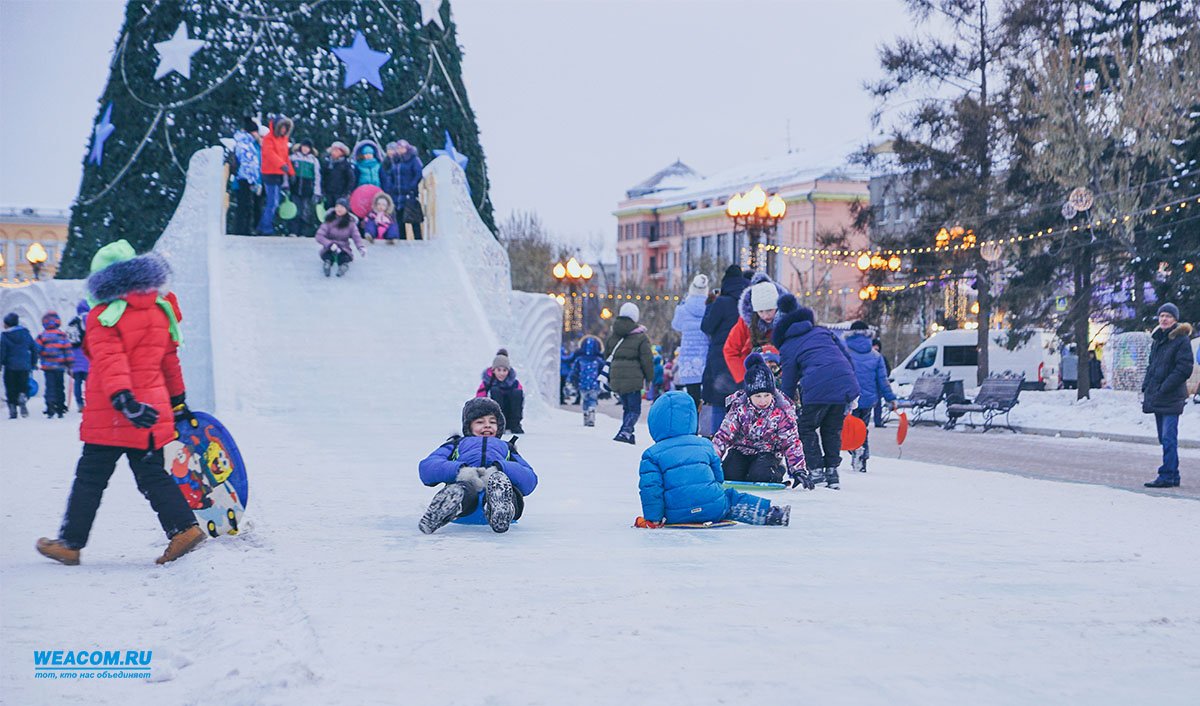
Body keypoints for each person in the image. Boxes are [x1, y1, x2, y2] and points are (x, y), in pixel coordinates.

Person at [36, 240, 205, 566]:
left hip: (114, 415)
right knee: (153, 476)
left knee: (90, 479)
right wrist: (178, 400)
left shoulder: (103, 315)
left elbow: (110, 361)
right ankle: (184, 529)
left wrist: (124, 401)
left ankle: (70, 544)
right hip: (152, 413)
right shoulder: (160, 309)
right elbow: (170, 360)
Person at [637, 391, 790, 527]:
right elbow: (718, 476)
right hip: (713, 507)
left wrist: (654, 519)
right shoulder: (704, 444)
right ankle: (771, 514)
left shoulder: (652, 455)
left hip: (675, 513)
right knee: (732, 498)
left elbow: (651, 489)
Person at [774, 294, 860, 490]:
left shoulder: (788, 345)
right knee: (831, 429)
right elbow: (846, 358)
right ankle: (832, 472)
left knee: (805, 428)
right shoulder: (822, 331)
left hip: (818, 388)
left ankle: (816, 470)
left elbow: (788, 382)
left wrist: (784, 405)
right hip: (843, 383)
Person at [417, 398, 537, 534]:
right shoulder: (456, 444)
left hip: (497, 491)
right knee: (462, 489)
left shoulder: (507, 448)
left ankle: (501, 509)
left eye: (492, 422)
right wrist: (460, 470)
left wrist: (501, 468)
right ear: (469, 426)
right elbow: (427, 467)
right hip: (466, 501)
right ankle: (446, 506)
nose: (487, 426)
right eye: (480, 422)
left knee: (503, 486)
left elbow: (529, 479)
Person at [711, 353, 808, 487]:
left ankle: (776, 471)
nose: (763, 400)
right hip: (741, 450)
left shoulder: (782, 410)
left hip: (767, 453)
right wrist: (711, 462)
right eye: (758, 396)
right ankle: (744, 472)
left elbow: (791, 442)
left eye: (766, 395)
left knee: (760, 475)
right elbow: (723, 435)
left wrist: (798, 470)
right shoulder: (739, 407)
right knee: (729, 473)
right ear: (749, 395)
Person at [1141, 303, 1192, 488]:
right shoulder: (1158, 341)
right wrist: (1146, 386)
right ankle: (1174, 474)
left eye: (1168, 316)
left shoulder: (1181, 340)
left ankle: (1167, 475)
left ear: (1175, 320)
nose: (1164, 319)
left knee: (1169, 437)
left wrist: (1164, 387)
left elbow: (1184, 368)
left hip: (1172, 396)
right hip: (1158, 396)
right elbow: (1152, 367)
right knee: (1164, 438)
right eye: (1162, 316)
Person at [700, 265, 750, 433]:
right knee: (740, 404)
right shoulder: (747, 304)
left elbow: (707, 326)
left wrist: (710, 306)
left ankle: (717, 443)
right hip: (741, 359)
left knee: (719, 401)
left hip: (720, 359)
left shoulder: (721, 302)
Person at [845, 321, 896, 473]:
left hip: (848, 399)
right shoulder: (876, 356)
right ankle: (862, 454)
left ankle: (854, 450)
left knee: (845, 429)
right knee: (862, 429)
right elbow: (883, 380)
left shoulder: (844, 353)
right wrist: (890, 398)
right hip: (868, 400)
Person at [723, 273, 788, 390]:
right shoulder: (745, 323)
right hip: (754, 379)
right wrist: (745, 377)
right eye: (760, 311)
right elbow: (730, 350)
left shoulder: (787, 321)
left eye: (769, 310)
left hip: (783, 378)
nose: (765, 315)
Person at [606, 302, 654, 444]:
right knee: (635, 409)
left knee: (627, 407)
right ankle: (625, 431)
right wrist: (649, 377)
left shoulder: (613, 335)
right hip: (633, 379)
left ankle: (629, 434)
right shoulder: (640, 336)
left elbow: (607, 355)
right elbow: (647, 359)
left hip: (616, 376)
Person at [671, 274, 710, 411]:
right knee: (707, 395)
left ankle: (694, 424)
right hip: (705, 355)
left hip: (688, 357)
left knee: (692, 395)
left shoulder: (683, 307)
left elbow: (676, 325)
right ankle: (705, 424)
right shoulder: (710, 306)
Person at [256, 117, 294, 236]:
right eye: (282, 127)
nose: (283, 130)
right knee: (273, 202)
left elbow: (285, 157)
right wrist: (282, 165)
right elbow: (270, 154)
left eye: (285, 128)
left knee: (274, 202)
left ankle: (262, 226)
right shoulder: (269, 139)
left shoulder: (283, 140)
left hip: (279, 174)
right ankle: (266, 227)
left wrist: (291, 172)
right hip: (269, 173)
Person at [382, 139, 424, 240]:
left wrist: (412, 186)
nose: (400, 149)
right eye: (398, 148)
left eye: (402, 147)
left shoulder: (414, 159)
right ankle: (402, 240)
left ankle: (418, 240)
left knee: (413, 218)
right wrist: (390, 187)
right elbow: (390, 175)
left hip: (410, 193)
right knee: (399, 218)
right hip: (397, 194)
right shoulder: (395, 161)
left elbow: (418, 173)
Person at [476, 349, 525, 434]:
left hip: (511, 416)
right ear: (493, 370)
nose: (502, 373)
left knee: (517, 392)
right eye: (499, 370)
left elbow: (519, 403)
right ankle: (499, 424)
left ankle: (514, 425)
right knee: (495, 391)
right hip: (494, 419)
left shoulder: (514, 383)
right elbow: (479, 399)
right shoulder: (488, 382)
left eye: (504, 370)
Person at [315, 198, 367, 278]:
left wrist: (360, 247)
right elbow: (319, 236)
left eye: (342, 207)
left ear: (346, 209)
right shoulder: (329, 220)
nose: (339, 209)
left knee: (344, 257)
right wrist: (329, 244)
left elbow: (356, 236)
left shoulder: (350, 222)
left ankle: (343, 267)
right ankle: (327, 264)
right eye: (337, 206)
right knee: (328, 255)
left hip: (343, 247)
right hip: (330, 246)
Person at [35, 311, 73, 418]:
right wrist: (70, 364)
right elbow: (68, 351)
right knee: (60, 387)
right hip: (60, 366)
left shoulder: (42, 336)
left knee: (50, 387)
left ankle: (50, 406)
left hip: (48, 367)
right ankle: (60, 408)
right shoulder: (62, 335)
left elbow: (36, 349)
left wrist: (35, 360)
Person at [230, 116, 262, 235]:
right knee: (244, 206)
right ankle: (241, 230)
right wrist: (251, 179)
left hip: (247, 179)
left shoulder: (247, 143)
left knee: (246, 206)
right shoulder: (245, 144)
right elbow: (247, 163)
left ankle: (244, 230)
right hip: (244, 179)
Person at [1, 312, 37, 419]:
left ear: (7, 324)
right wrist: (33, 363)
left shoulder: (5, 336)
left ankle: (12, 409)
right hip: (24, 366)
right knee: (23, 385)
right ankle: (22, 396)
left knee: (10, 387)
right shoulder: (25, 333)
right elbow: (34, 348)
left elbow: (2, 352)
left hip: (10, 367)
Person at [288, 140, 322, 237]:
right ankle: (293, 231)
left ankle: (303, 232)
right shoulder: (293, 158)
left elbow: (317, 176)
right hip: (295, 188)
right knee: (295, 210)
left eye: (308, 147)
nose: (305, 149)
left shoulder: (314, 160)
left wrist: (317, 191)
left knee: (305, 211)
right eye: (304, 147)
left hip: (307, 190)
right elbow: (287, 172)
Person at [569, 335, 605, 426]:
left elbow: (574, 371)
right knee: (593, 399)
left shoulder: (579, 360)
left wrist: (572, 380)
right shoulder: (599, 360)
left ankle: (585, 414)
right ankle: (592, 411)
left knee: (585, 400)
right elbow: (603, 371)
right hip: (595, 384)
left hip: (582, 384)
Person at [67, 300, 91, 411]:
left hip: (75, 356)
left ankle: (80, 404)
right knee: (89, 381)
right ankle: (90, 400)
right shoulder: (90, 318)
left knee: (77, 382)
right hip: (87, 355)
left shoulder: (73, 321)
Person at [322, 141, 355, 209]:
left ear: (342, 153)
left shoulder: (346, 164)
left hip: (340, 193)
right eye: (333, 150)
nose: (334, 152)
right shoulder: (327, 163)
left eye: (336, 150)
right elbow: (323, 177)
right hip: (328, 192)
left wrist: (347, 192)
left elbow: (351, 179)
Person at [871, 339, 890, 427]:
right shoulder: (871, 358)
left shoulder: (881, 358)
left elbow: (886, 371)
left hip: (877, 385)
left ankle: (878, 421)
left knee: (878, 404)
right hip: (871, 383)